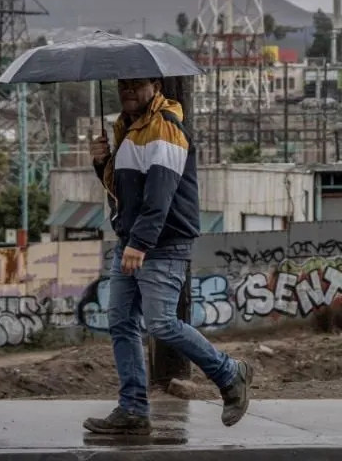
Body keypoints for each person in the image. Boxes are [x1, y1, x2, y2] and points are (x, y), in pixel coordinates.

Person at [82, 77, 252, 436]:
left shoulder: (165, 128)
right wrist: (102, 164)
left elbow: (159, 196)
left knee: (160, 323)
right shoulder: (128, 129)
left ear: (155, 86)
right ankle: (132, 409)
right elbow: (125, 192)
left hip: (162, 242)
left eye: (135, 84)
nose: (127, 90)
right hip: (133, 239)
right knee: (122, 323)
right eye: (122, 85)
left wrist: (139, 244)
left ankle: (229, 373)